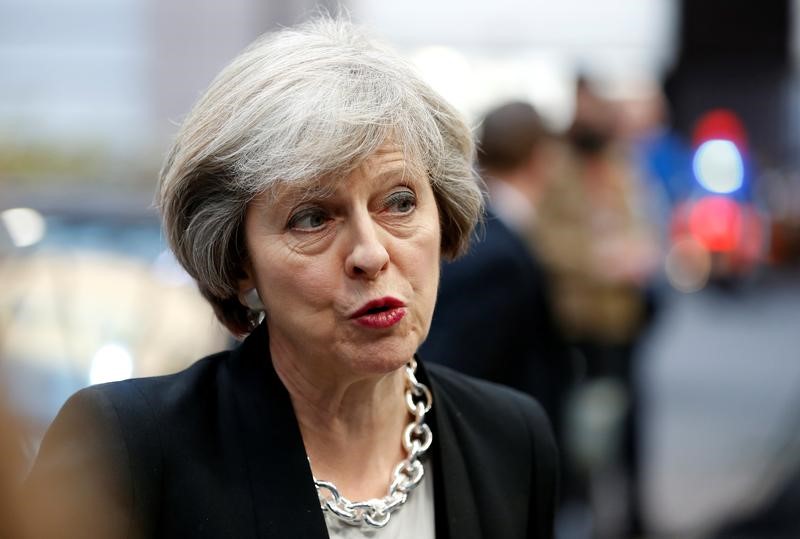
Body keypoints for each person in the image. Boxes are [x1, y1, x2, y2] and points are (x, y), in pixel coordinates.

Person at [23, 18, 558, 538]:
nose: (370, 254)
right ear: (238, 264)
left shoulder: (511, 438)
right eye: (312, 218)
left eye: (399, 202)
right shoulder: (126, 449)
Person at [420, 101, 572, 439]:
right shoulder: (496, 255)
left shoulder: (487, 227)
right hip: (500, 441)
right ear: (541, 159)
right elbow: (456, 370)